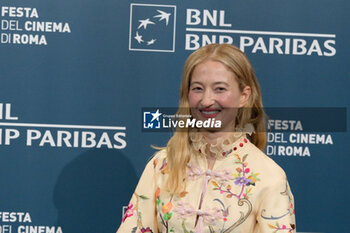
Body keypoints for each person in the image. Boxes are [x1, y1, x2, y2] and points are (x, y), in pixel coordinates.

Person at [116, 44, 296, 233]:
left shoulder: (270, 176)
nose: (207, 100)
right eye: (198, 88)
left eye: (219, 89)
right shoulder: (161, 166)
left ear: (244, 95)